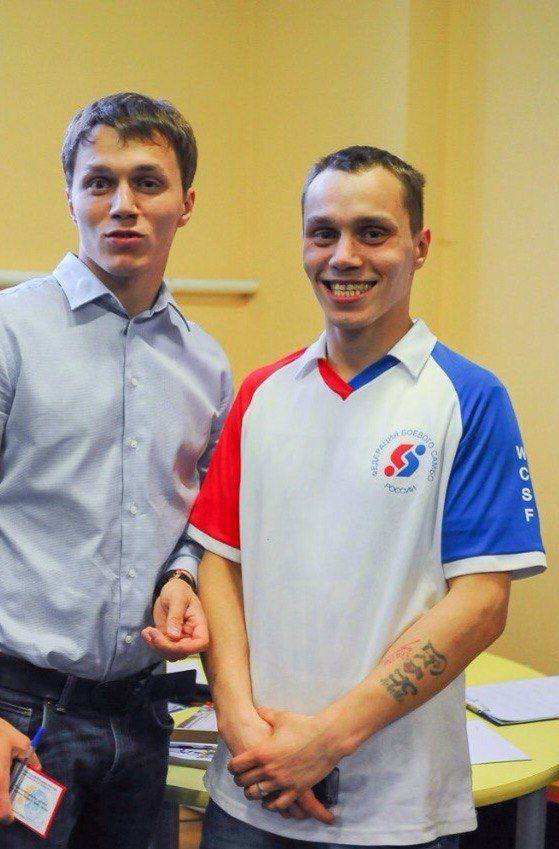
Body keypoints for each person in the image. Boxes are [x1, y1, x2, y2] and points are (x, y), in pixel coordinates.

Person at [188, 146, 546, 848]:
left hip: (397, 811)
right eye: (323, 233)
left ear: (419, 247)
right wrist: (238, 721)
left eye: (372, 232)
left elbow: (480, 603)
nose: (343, 256)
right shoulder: (261, 394)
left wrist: (324, 741)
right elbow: (218, 563)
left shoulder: (469, 398)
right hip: (249, 788)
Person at [0, 92, 232, 848]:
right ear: (69, 194)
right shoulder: (11, 333)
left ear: (185, 203)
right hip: (19, 714)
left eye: (147, 182)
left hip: (143, 719)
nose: (123, 205)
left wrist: (184, 572)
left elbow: (201, 514)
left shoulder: (206, 365)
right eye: (100, 181)